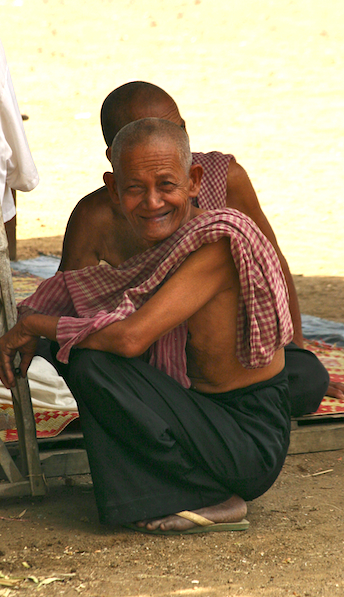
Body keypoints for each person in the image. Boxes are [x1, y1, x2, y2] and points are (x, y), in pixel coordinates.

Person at [0, 118, 294, 533]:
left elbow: (132, 338)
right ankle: (162, 489)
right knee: (78, 349)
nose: (152, 202)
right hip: (203, 417)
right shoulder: (167, 240)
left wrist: (33, 327)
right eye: (135, 188)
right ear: (114, 190)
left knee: (88, 355)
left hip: (248, 441)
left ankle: (209, 496)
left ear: (193, 181)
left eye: (166, 185)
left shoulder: (218, 243)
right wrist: (38, 327)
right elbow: (91, 308)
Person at [56, 81, 337, 413]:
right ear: (114, 159)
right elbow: (66, 303)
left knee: (305, 377)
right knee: (78, 361)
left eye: (177, 130)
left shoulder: (223, 181)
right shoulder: (95, 216)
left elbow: (273, 266)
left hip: (229, 363)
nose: (154, 201)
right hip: (146, 357)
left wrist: (294, 350)